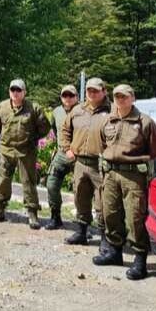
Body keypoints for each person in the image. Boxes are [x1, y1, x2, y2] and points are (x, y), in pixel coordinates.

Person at [92, 84, 156, 280]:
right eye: (117, 96)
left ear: (133, 98)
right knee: (110, 213)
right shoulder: (108, 120)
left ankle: (140, 259)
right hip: (111, 174)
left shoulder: (144, 122)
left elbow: (155, 150)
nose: (120, 100)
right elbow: (101, 145)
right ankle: (114, 252)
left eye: (124, 96)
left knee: (135, 217)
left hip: (133, 177)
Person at [0, 79, 50, 229]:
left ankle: (32, 213)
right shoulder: (2, 107)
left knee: (28, 182)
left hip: (26, 152)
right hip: (6, 150)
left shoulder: (34, 108)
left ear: (24, 92)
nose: (15, 93)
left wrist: (33, 139)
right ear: (9, 92)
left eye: (19, 90)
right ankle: (0, 208)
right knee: (3, 180)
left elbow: (44, 127)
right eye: (13, 90)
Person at [60, 77, 111, 248]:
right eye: (89, 90)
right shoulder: (77, 110)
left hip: (101, 165)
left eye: (96, 90)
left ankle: (105, 238)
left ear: (104, 91)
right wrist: (67, 148)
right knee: (80, 197)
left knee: (102, 202)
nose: (92, 93)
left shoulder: (112, 112)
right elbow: (66, 129)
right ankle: (81, 232)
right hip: (80, 163)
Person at [45, 85, 79, 230]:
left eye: (71, 95)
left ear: (76, 97)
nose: (68, 98)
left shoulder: (83, 111)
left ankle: (82, 225)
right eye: (65, 95)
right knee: (51, 184)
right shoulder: (56, 112)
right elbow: (54, 128)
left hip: (79, 156)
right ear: (61, 97)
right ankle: (55, 217)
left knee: (81, 190)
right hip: (61, 154)